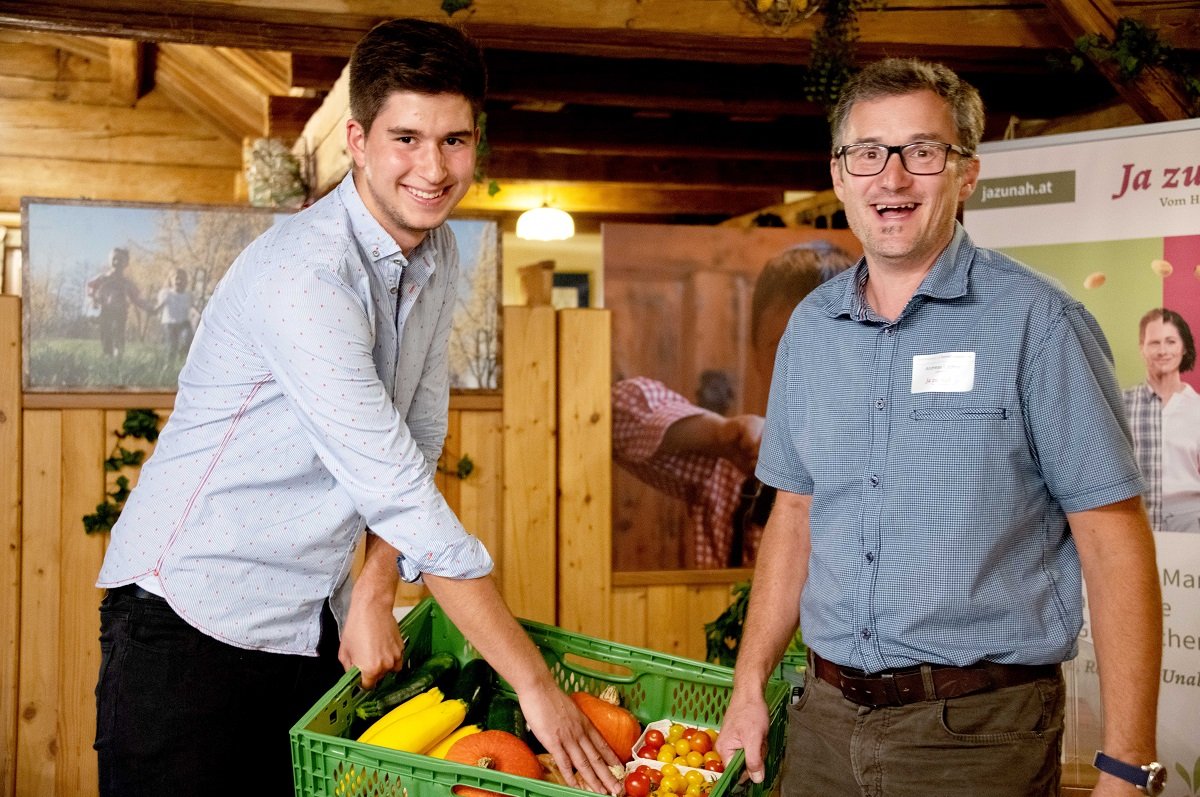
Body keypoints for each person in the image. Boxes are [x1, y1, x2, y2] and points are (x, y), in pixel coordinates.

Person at [94, 19, 620, 797]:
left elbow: (419, 432)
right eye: (406, 137)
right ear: (358, 140)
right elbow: (401, 491)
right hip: (188, 621)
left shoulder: (437, 256)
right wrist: (538, 690)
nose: (434, 168)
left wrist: (374, 587)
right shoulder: (306, 275)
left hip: (310, 621)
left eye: (455, 140)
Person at [715, 58, 1163, 797]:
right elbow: (795, 514)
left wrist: (1126, 765)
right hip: (822, 725)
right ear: (838, 175)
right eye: (868, 153)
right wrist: (748, 683)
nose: (892, 180)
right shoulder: (812, 329)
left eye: (922, 152)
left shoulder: (1041, 325)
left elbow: (1113, 540)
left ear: (967, 172)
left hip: (978, 736)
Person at [611, 242, 855, 568]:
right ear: (754, 350)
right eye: (783, 347)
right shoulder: (731, 464)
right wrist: (721, 434)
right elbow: (612, 414)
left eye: (826, 346)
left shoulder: (894, 460)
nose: (804, 367)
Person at [1125, 307, 1200, 533]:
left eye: (1170, 341)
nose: (1163, 350)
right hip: (1136, 519)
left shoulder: (1197, 408)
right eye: (1154, 343)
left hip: (1190, 523)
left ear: (1183, 347)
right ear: (1142, 349)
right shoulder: (1122, 404)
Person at [86, 246, 151, 357]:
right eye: (114, 259)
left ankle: (119, 353)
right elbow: (90, 285)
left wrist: (147, 307)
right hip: (105, 309)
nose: (117, 262)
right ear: (109, 260)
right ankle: (107, 354)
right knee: (105, 332)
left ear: (126, 263)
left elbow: (136, 298)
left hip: (121, 311)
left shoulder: (126, 282)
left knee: (119, 332)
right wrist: (92, 299)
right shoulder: (103, 278)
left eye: (120, 260)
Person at [152, 267, 195, 358]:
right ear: (171, 280)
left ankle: (182, 354)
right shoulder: (166, 293)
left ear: (186, 282)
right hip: (169, 323)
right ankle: (169, 364)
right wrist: (154, 310)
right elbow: (160, 305)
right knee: (172, 345)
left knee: (187, 338)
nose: (179, 281)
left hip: (184, 322)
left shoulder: (188, 295)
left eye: (182, 279)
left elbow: (192, 309)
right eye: (177, 279)